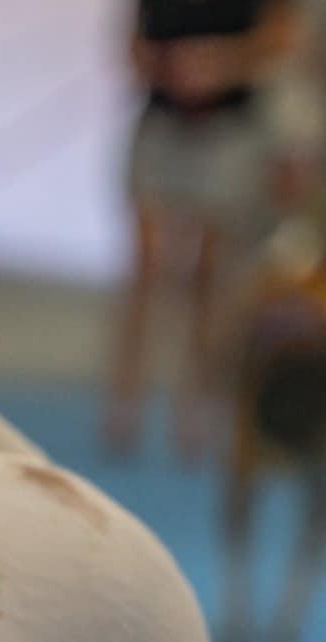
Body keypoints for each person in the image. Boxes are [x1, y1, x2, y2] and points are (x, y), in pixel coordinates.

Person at [104, 0, 305, 459]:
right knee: (146, 268)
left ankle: (195, 403)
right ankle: (124, 404)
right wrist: (167, 69)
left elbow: (280, 39)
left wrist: (219, 63)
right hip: (162, 122)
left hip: (229, 130)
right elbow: (133, 46)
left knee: (206, 274)